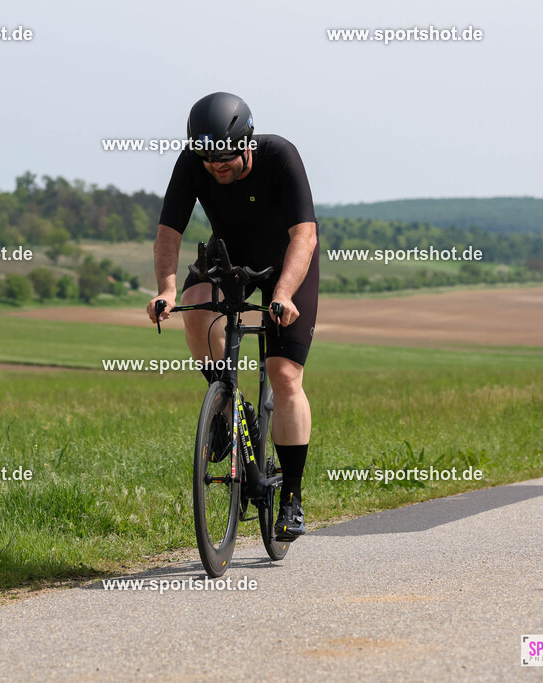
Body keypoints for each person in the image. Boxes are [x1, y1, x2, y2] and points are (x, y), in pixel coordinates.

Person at [146, 92, 319, 541]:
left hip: (287, 262)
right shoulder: (193, 161)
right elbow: (169, 231)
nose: (217, 167)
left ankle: (293, 500)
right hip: (231, 257)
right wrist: (166, 288)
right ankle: (226, 403)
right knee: (195, 306)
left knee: (284, 376)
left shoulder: (279, 155)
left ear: (246, 142)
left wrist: (283, 293)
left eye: (226, 157)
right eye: (208, 160)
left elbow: (304, 235)